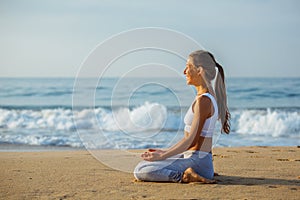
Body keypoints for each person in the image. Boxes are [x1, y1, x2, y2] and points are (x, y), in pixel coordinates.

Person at [133, 50, 230, 183]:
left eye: (188, 67)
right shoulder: (206, 96)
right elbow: (191, 140)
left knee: (141, 171)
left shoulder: (204, 101)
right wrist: (164, 153)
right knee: (143, 164)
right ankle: (197, 171)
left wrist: (163, 156)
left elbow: (192, 140)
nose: (184, 71)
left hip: (197, 161)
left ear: (199, 70)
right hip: (195, 159)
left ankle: (184, 176)